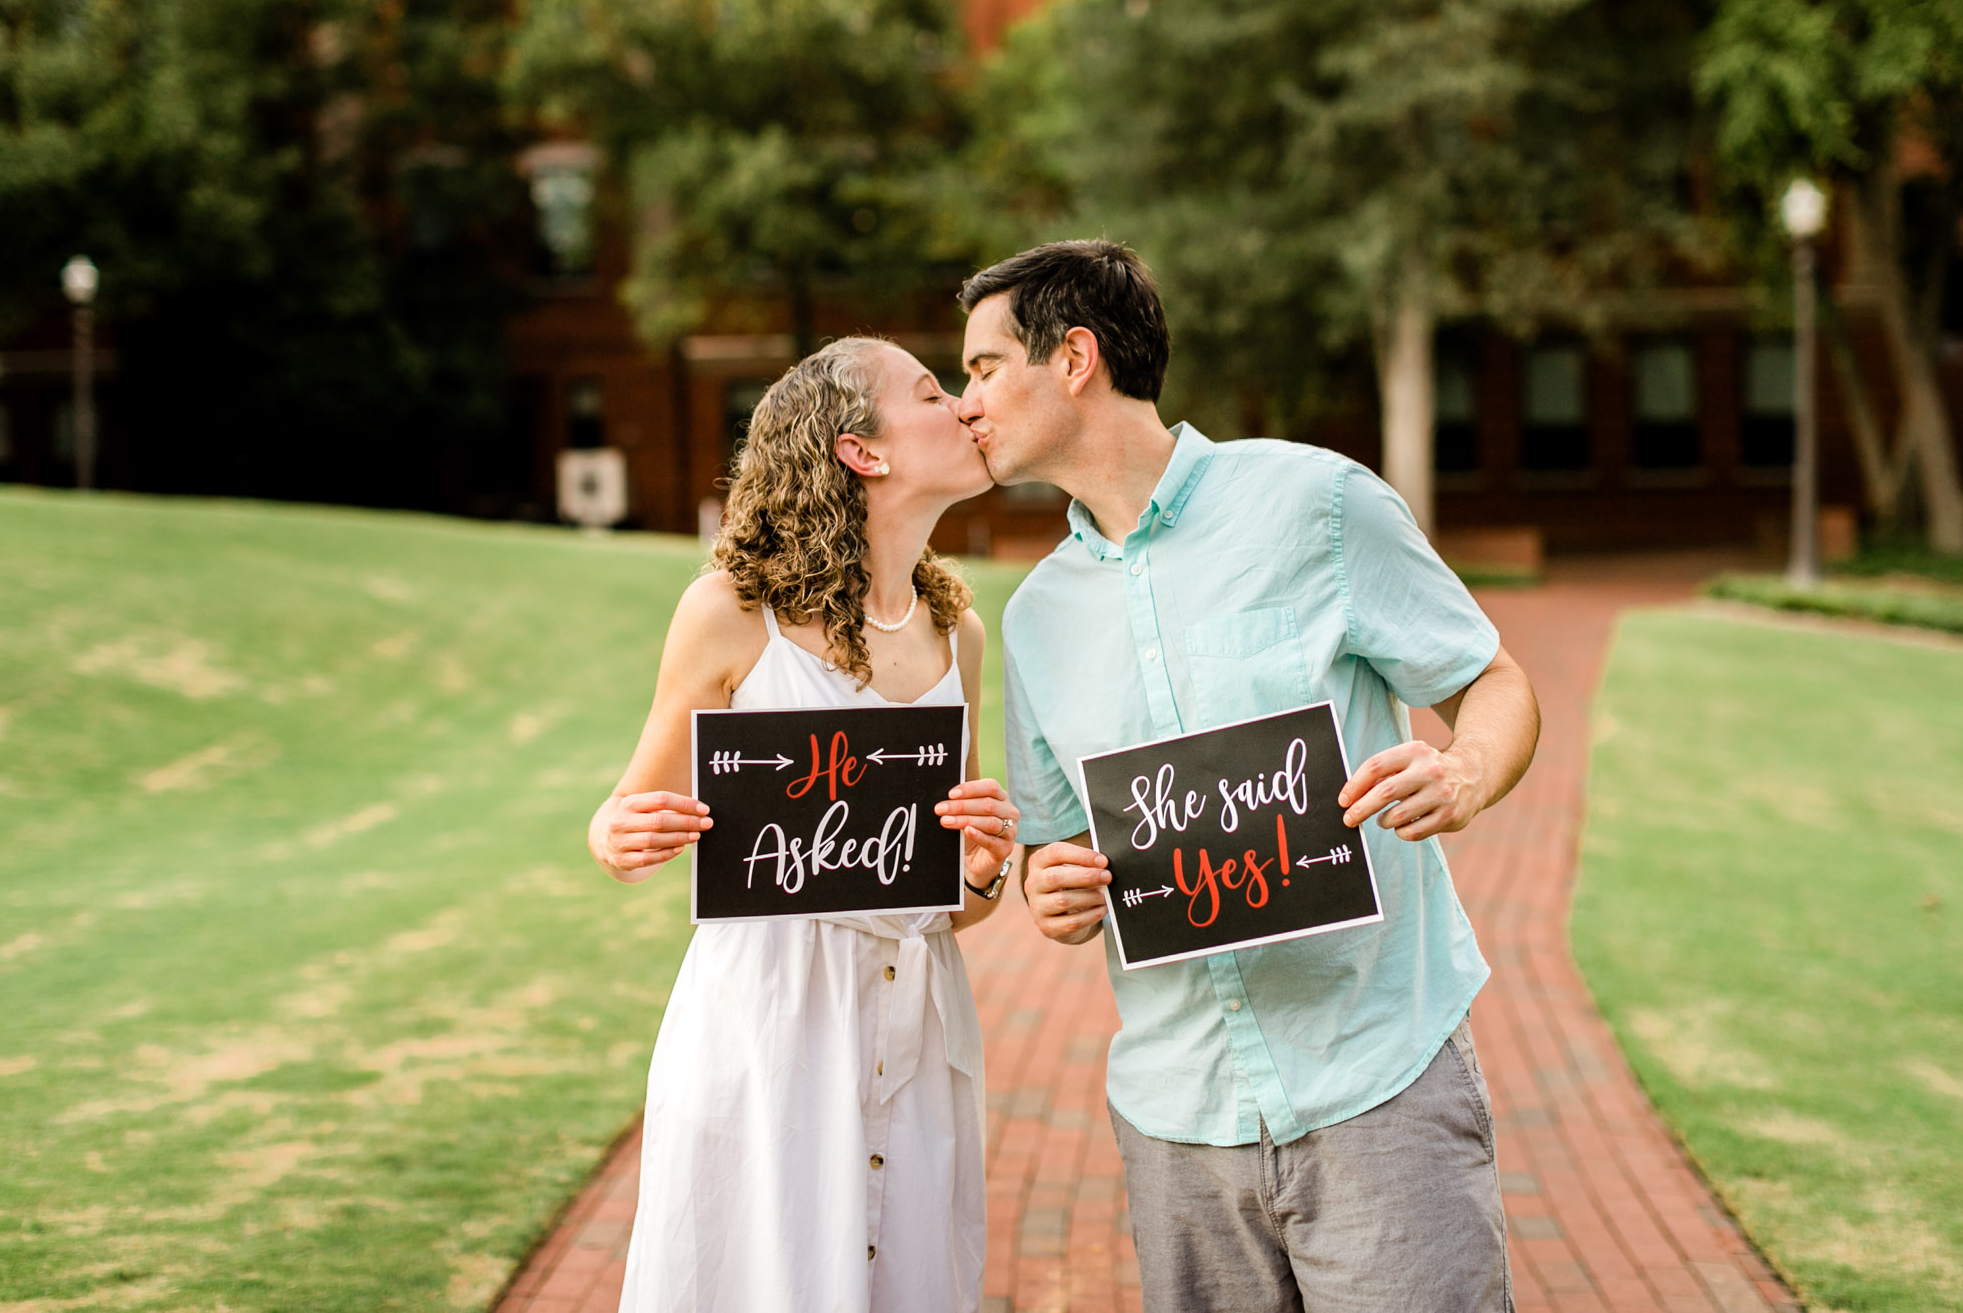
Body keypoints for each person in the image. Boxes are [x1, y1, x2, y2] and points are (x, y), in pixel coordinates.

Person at [954, 241, 1541, 1312]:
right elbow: (1054, 848)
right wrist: (1051, 889)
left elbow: (1491, 683)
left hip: (1376, 1086)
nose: (964, 403)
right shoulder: (1035, 619)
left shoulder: (1314, 504)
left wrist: (1461, 776)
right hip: (1176, 1125)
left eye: (984, 368)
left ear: (1073, 358)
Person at [588, 336, 1022, 1313]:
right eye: (929, 393)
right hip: (770, 1029)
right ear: (861, 452)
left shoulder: (961, 633)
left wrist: (987, 865)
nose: (963, 404)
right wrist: (618, 836)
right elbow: (620, 818)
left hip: (919, 1031)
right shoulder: (731, 615)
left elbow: (947, 900)